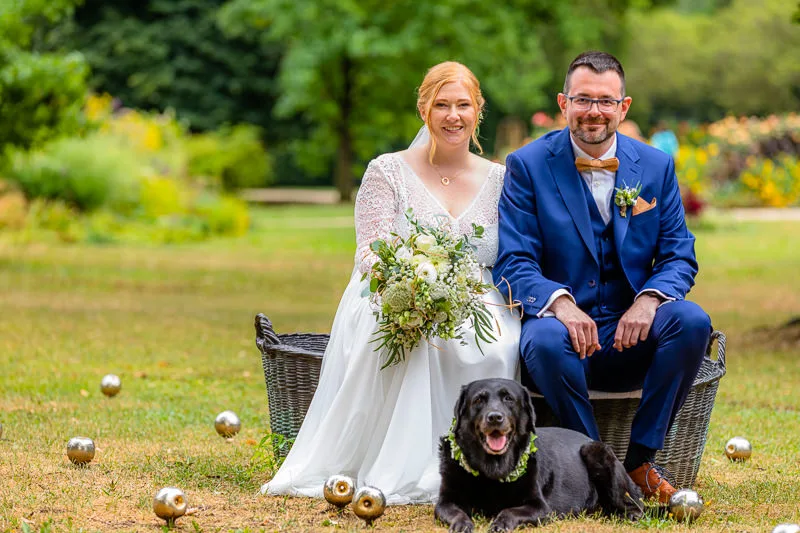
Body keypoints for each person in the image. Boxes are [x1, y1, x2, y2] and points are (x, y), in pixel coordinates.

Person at [262, 61, 520, 504]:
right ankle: (410, 463)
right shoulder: (387, 171)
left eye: (463, 105)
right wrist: (410, 289)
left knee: (496, 345)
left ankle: (478, 460)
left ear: (479, 110)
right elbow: (368, 251)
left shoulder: (500, 179)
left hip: (478, 298)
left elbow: (513, 253)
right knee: (414, 337)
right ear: (424, 109)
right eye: (441, 104)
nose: (452, 115)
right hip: (391, 289)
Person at [494, 51, 711, 504]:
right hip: (560, 333)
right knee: (544, 341)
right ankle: (596, 465)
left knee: (691, 321)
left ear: (623, 107)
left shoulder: (654, 166)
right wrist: (562, 305)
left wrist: (649, 300)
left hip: (630, 331)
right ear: (563, 103)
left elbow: (679, 255)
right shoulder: (527, 165)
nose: (594, 111)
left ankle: (639, 460)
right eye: (583, 99)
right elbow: (514, 261)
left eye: (606, 101)